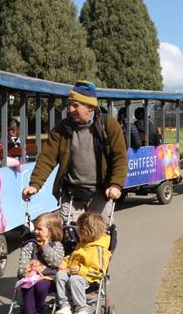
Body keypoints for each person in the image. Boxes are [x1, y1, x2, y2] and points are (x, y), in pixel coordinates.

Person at [21, 81, 127, 222]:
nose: (70, 109)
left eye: (75, 105)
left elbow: (119, 158)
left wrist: (115, 185)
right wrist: (35, 184)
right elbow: (47, 158)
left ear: (90, 106)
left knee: (98, 238)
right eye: (70, 105)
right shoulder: (63, 128)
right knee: (69, 237)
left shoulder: (109, 126)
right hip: (72, 194)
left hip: (101, 193)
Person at [54, 212, 111, 314]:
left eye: (80, 231)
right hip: (72, 272)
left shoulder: (99, 249)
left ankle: (81, 308)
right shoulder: (82, 243)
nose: (78, 233)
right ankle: (64, 305)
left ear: (89, 231)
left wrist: (81, 270)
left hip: (88, 278)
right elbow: (71, 257)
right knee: (59, 275)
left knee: (75, 280)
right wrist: (64, 263)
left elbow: (99, 272)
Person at [16, 212, 64, 314]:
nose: (36, 232)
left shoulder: (57, 245)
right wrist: (25, 270)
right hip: (31, 277)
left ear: (51, 231)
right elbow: (23, 262)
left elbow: (55, 261)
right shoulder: (30, 245)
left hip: (49, 277)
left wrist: (45, 246)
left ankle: (40, 309)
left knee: (41, 286)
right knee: (27, 288)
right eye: (35, 229)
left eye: (40, 229)